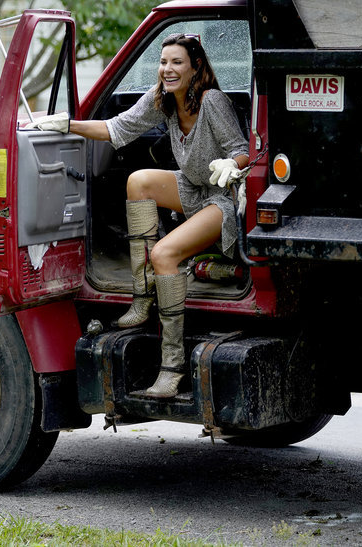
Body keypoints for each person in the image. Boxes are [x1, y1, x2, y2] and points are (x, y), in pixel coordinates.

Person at [27, 33, 249, 398]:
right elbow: (117, 129)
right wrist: (66, 125)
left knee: (164, 254)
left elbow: (241, 149)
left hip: (222, 197)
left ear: (196, 67)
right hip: (193, 187)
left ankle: (171, 368)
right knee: (138, 181)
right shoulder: (163, 99)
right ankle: (143, 295)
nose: (167, 69)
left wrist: (231, 163)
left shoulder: (212, 101)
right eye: (163, 62)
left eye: (177, 62)